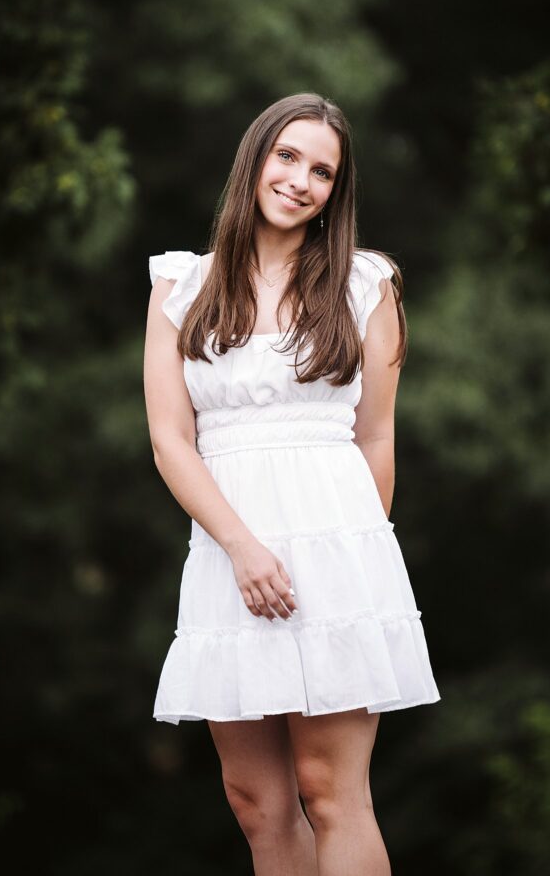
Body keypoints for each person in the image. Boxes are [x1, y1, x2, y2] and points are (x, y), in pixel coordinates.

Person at [143, 92, 441, 876]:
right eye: (287, 157)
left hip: (336, 548)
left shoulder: (365, 285)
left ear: (335, 193)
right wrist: (240, 547)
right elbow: (171, 440)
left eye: (322, 171)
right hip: (226, 553)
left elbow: (375, 437)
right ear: (255, 158)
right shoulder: (180, 286)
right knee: (255, 800)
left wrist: (357, 567)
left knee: (329, 790)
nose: (300, 180)